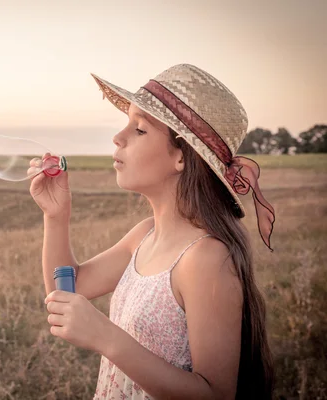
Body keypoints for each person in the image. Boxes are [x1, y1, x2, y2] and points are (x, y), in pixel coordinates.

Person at [29, 64, 276, 400]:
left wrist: (106, 337)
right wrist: (56, 216)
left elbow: (215, 394)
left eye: (140, 130)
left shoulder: (205, 258)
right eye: (126, 123)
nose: (118, 137)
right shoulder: (144, 235)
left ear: (181, 158)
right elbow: (70, 288)